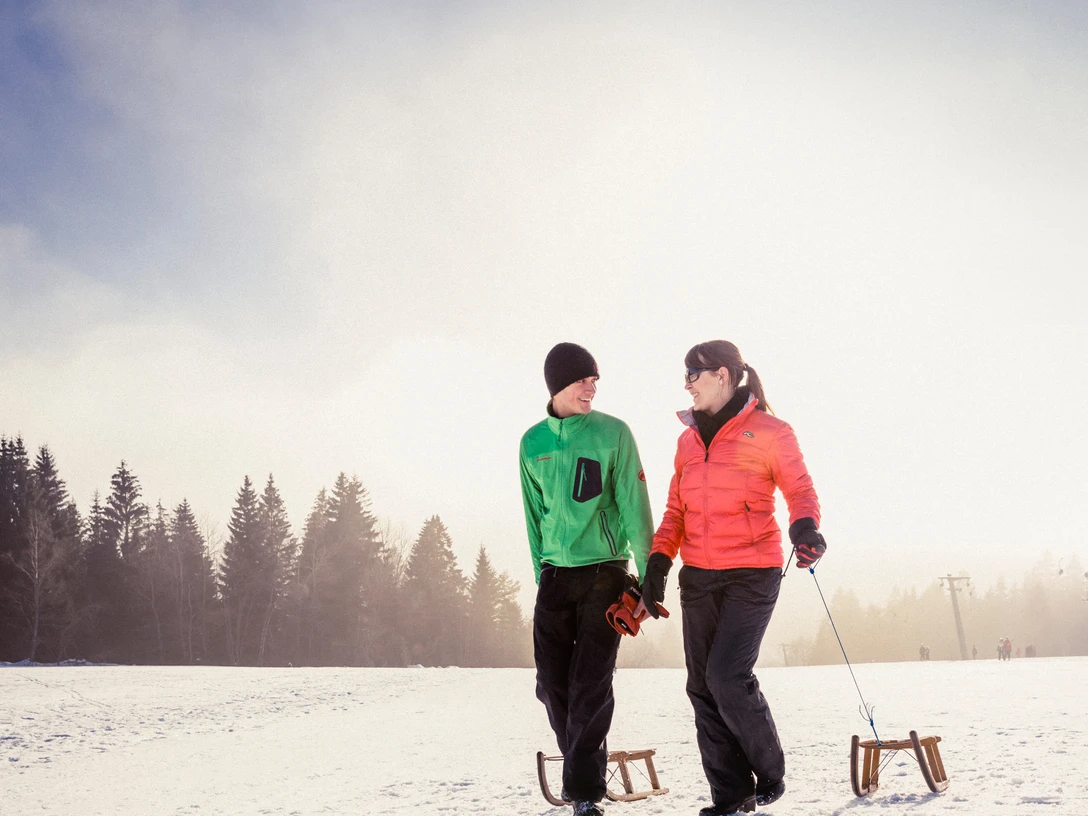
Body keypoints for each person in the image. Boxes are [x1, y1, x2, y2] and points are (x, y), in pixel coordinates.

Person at [637, 340, 825, 816]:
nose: (686, 384)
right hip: (698, 576)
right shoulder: (686, 440)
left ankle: (771, 772)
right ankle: (731, 795)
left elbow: (799, 490)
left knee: (726, 676)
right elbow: (674, 512)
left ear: (722, 375)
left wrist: (806, 529)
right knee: (700, 685)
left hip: (752, 572)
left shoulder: (771, 432)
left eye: (692, 374)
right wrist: (658, 566)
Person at [519, 342, 655, 816]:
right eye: (583, 380)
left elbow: (635, 508)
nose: (592, 387)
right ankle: (584, 763)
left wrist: (650, 573)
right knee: (552, 684)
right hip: (555, 577)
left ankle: (583, 794)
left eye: (595, 380)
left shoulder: (613, 433)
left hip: (605, 571)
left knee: (590, 683)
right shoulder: (532, 443)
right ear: (558, 384)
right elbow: (534, 517)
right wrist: (542, 573)